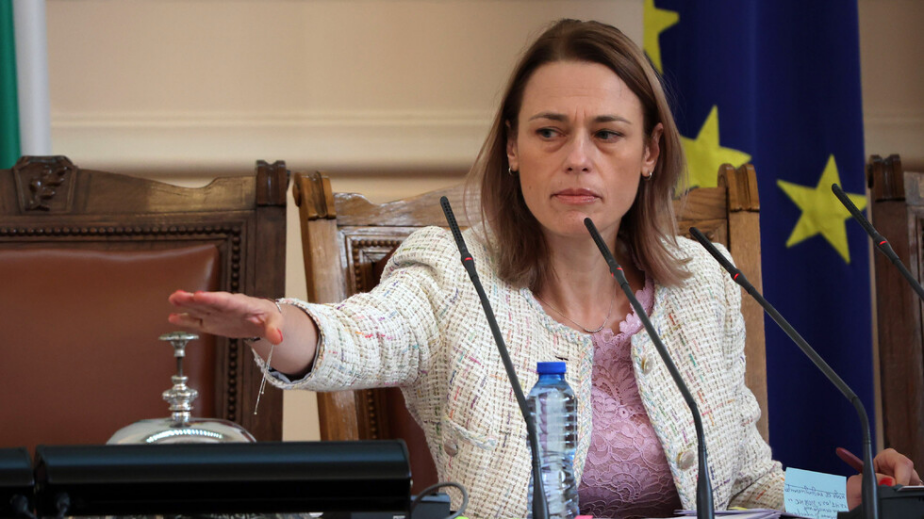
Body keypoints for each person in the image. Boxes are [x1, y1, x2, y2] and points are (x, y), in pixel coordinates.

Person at [168, 19, 920, 519]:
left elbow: (749, 485)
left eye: (608, 133)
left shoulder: (704, 284)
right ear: (512, 147)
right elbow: (360, 333)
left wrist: (851, 496)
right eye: (550, 131)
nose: (578, 158)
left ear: (651, 151)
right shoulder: (453, 272)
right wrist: (278, 325)